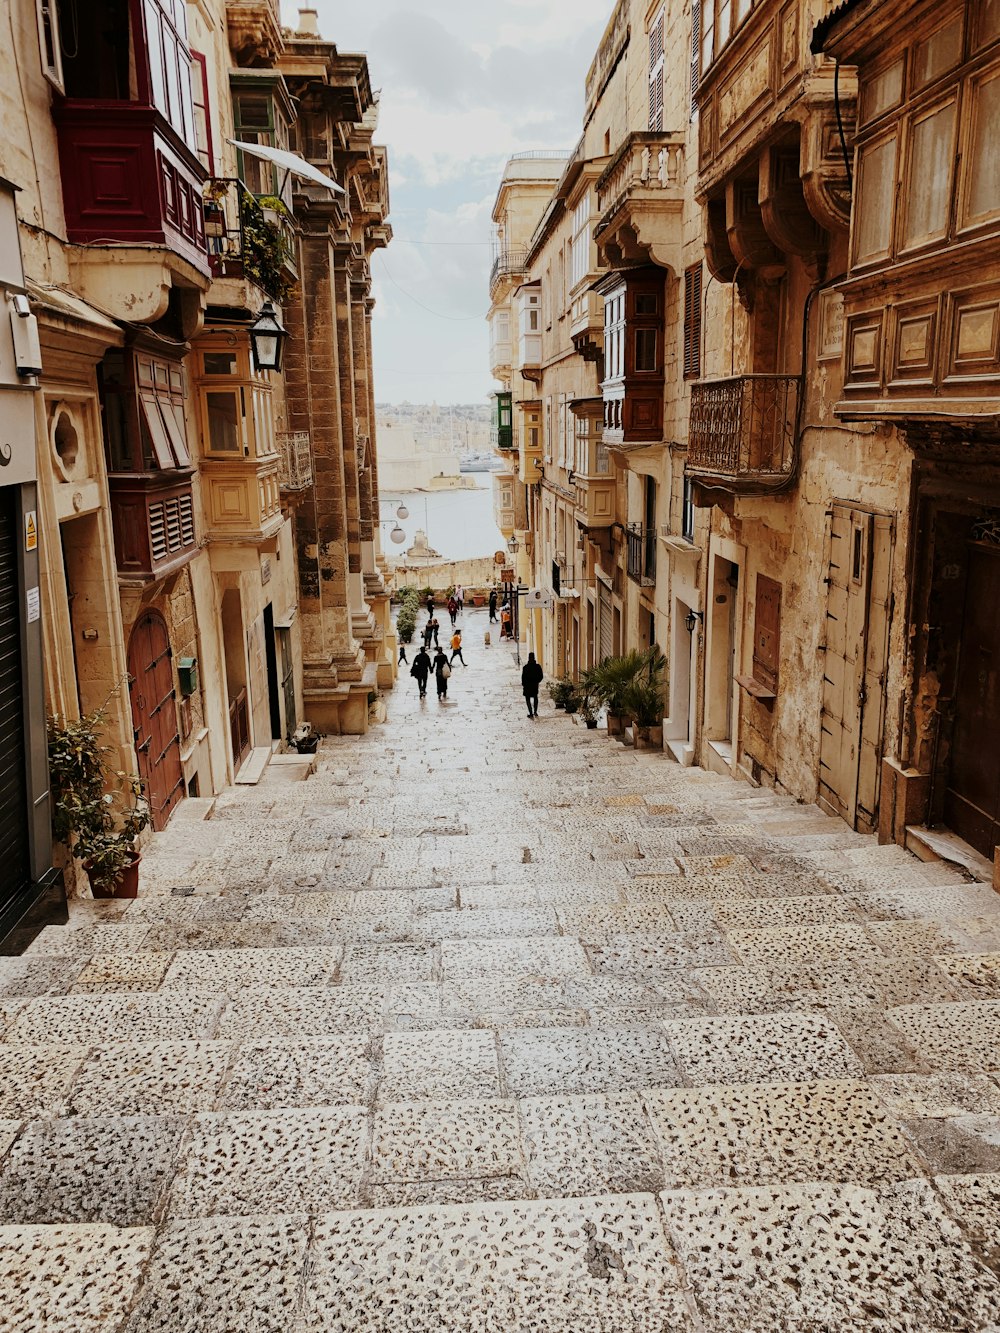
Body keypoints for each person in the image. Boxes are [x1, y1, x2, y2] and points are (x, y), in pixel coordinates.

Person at [521, 652, 543, 717]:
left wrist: (524, 684)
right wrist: (537, 681)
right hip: (534, 685)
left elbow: (523, 677)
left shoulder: (525, 667)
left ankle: (530, 712)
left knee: (527, 699)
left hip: (527, 686)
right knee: (535, 697)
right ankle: (535, 712)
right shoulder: (537, 667)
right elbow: (541, 676)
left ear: (528, 658)